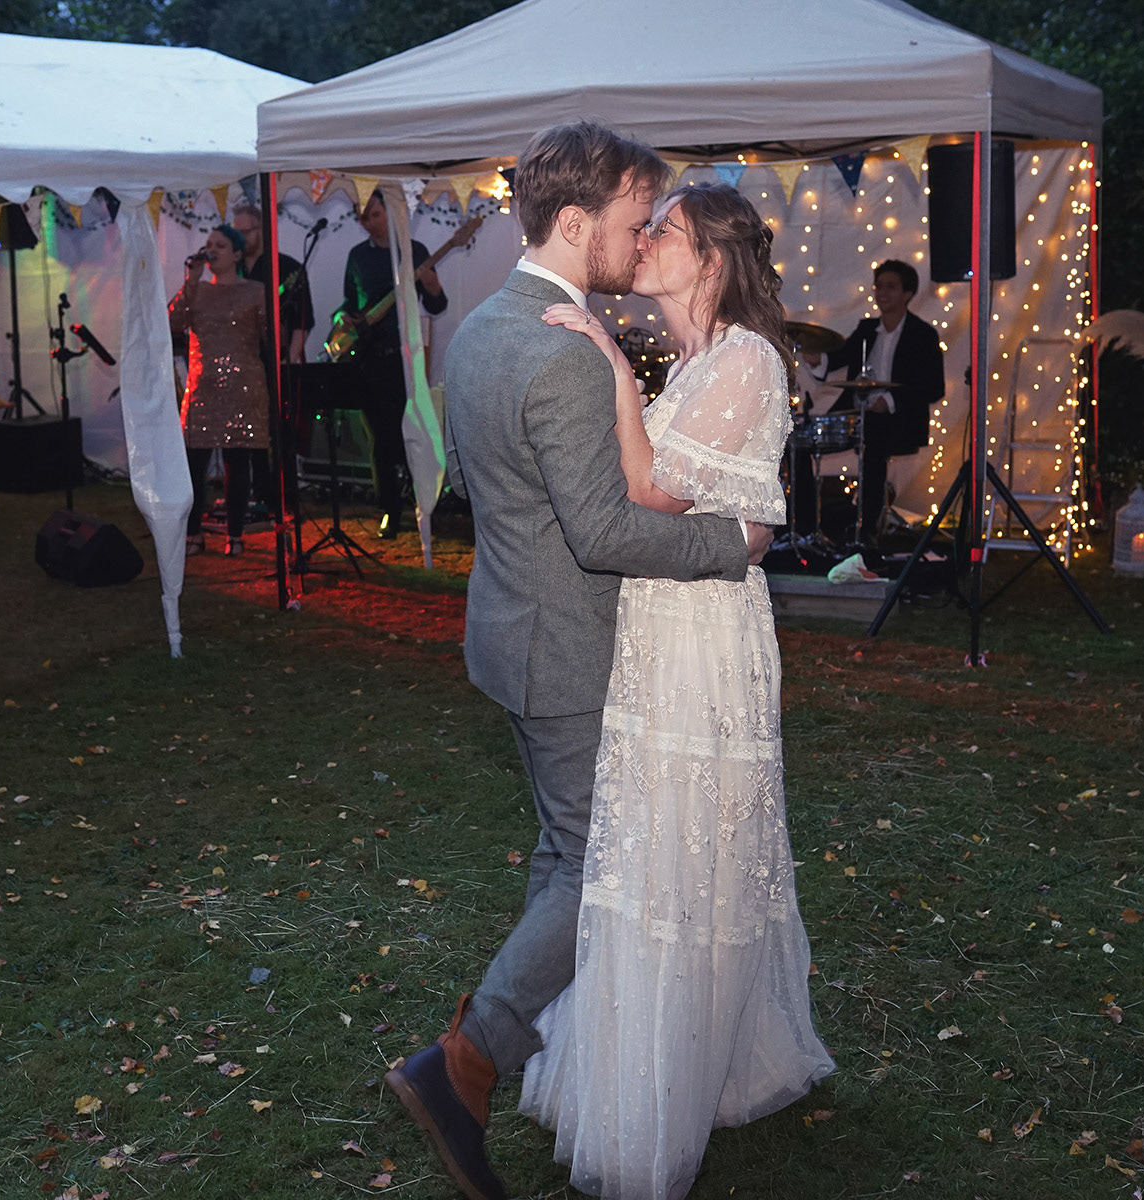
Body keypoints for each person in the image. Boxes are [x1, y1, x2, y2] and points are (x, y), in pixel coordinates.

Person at [382, 122, 775, 1200]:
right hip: (565, 649)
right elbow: (602, 531)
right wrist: (732, 545)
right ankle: (466, 1060)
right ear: (573, 221)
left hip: (512, 635)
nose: (641, 238)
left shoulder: (482, 328)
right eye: (633, 219)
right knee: (599, 867)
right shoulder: (559, 352)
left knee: (565, 853)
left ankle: (526, 1042)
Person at [521, 182, 835, 1199]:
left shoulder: (745, 359)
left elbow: (651, 490)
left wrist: (612, 368)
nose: (647, 240)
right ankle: (668, 1062)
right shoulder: (697, 362)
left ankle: (678, 1081)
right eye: (648, 227)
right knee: (649, 839)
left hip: (704, 639)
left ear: (712, 260)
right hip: (659, 622)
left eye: (667, 231)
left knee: (687, 845)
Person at [793, 258, 946, 555]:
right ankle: (806, 528)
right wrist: (817, 358)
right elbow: (841, 356)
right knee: (801, 443)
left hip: (899, 420)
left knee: (874, 443)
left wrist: (889, 401)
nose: (881, 293)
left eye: (890, 287)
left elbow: (933, 388)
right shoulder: (867, 328)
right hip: (857, 414)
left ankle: (867, 530)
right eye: (878, 286)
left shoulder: (923, 334)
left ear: (907, 293)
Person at [340, 189, 448, 538]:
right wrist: (345, 318)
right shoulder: (357, 256)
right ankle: (388, 508)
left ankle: (422, 501)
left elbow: (437, 305)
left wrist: (432, 286)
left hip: (406, 359)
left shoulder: (414, 251)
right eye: (363, 217)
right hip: (369, 361)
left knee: (413, 433)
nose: (369, 222)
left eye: (374, 214)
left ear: (389, 212)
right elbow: (349, 303)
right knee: (380, 438)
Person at [168, 224, 267, 557]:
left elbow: (271, 336)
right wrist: (191, 280)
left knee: (237, 463)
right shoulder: (196, 290)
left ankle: (235, 535)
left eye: (221, 245)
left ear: (237, 254)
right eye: (209, 244)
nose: (211, 250)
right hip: (203, 388)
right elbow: (172, 323)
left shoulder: (255, 291)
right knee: (193, 465)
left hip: (243, 386)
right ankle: (194, 534)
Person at [231, 202, 315, 521]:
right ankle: (258, 495)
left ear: (262, 231)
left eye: (246, 232)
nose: (240, 238)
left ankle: (285, 498)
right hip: (242, 364)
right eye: (235, 232)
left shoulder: (288, 268)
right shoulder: (233, 272)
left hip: (277, 364)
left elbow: (302, 323)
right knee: (248, 434)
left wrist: (287, 364)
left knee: (281, 435)